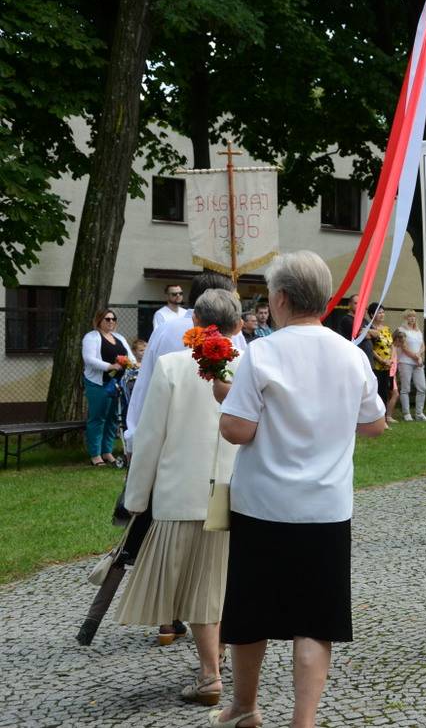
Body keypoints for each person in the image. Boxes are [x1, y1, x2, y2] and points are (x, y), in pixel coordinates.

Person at [212, 250, 387, 728]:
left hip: (262, 504)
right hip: (326, 507)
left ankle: (244, 707)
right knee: (315, 620)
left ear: (283, 298)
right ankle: (303, 721)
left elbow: (237, 430)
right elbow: (375, 424)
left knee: (250, 613)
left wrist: (227, 405)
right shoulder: (351, 354)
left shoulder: (262, 352)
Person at [116, 289, 242, 707]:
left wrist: (136, 498)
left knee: (197, 587)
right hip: (236, 491)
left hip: (181, 492)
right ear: (236, 326)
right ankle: (218, 655)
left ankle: (210, 674)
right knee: (220, 581)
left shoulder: (171, 365)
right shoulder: (249, 366)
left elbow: (150, 438)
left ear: (195, 324)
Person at [125, 271, 245, 452]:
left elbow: (144, 387)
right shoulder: (233, 336)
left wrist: (134, 438)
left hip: (177, 432)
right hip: (218, 434)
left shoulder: (164, 331)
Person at [81, 308, 136, 466]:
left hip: (118, 384)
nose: (111, 321)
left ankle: (107, 451)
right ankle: (95, 454)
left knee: (113, 418)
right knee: (98, 418)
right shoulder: (91, 337)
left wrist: (133, 363)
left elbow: (130, 356)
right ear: (99, 320)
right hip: (99, 383)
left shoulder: (119, 337)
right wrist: (110, 366)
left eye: (113, 319)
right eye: (107, 319)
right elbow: (89, 359)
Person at [395, 309, 426, 421]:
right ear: (405, 318)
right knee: (405, 388)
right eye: (410, 316)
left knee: (422, 387)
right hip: (405, 362)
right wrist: (416, 357)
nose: (412, 318)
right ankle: (406, 413)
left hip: (418, 363)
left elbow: (423, 346)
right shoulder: (401, 330)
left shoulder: (418, 331)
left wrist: (418, 355)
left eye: (414, 316)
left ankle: (419, 413)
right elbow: (404, 347)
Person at [365, 303, 393, 413]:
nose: (382, 314)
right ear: (372, 315)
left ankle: (384, 417)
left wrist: (390, 360)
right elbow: (369, 348)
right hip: (376, 365)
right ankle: (375, 416)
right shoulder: (369, 329)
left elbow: (391, 346)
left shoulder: (386, 328)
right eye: (379, 313)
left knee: (384, 392)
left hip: (387, 365)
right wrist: (381, 360)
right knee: (376, 392)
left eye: (383, 312)